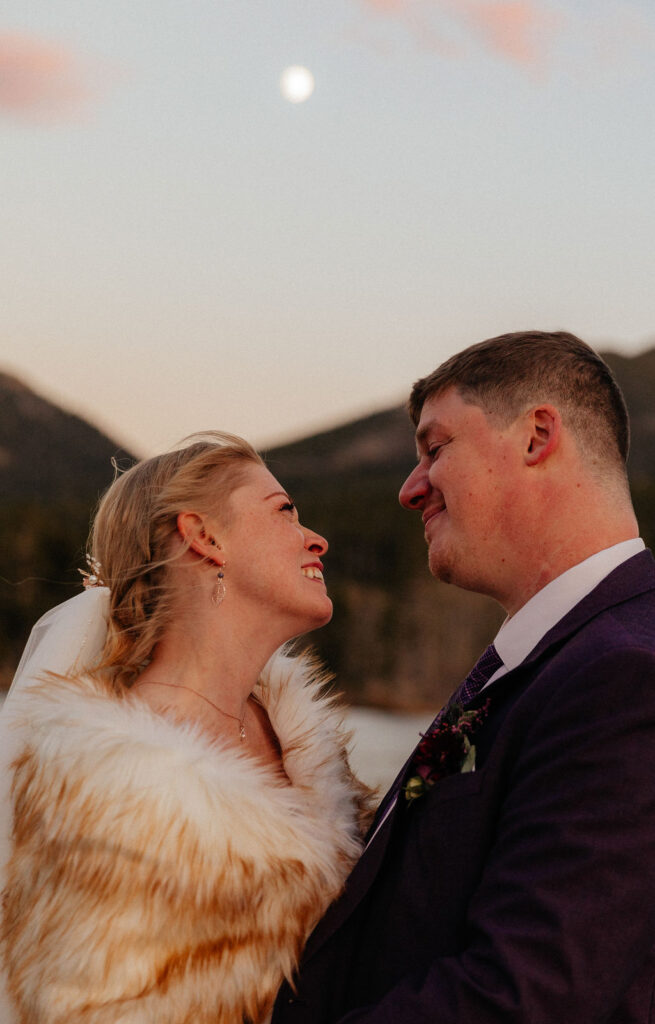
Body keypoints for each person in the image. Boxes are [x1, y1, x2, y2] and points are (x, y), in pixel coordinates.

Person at [271, 330, 655, 1024]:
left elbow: (527, 998)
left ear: (537, 435)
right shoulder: (552, 657)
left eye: (434, 449)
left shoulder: (627, 674)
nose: (408, 488)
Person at [0, 432, 373, 1024]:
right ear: (205, 537)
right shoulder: (101, 784)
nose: (315, 538)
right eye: (284, 512)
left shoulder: (307, 751)